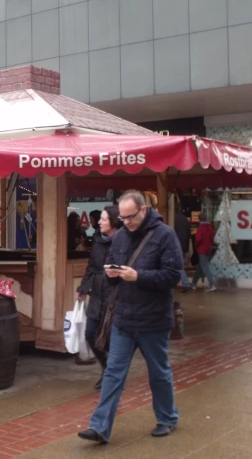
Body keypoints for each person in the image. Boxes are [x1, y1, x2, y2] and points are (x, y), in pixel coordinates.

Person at [79, 190, 181, 444]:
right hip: (124, 317)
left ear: (144, 210)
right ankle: (100, 427)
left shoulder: (165, 235)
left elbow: (173, 275)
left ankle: (167, 417)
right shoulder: (121, 236)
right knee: (113, 372)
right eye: (122, 218)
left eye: (130, 217)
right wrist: (111, 274)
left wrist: (139, 276)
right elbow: (113, 262)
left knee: (158, 372)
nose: (126, 222)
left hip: (153, 320)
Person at [76, 205, 124, 390]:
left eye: (104, 219)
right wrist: (83, 287)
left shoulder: (122, 242)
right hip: (96, 293)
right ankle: (106, 367)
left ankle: (112, 375)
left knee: (110, 338)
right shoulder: (97, 238)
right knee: (90, 334)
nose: (99, 222)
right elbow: (91, 266)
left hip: (114, 296)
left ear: (113, 222)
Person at [192, 213, 216, 291]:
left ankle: (212, 284)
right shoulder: (210, 227)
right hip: (208, 249)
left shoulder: (201, 228)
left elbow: (198, 239)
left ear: (199, 219)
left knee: (204, 267)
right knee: (201, 267)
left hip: (201, 249)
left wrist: (196, 246)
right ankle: (194, 283)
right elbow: (212, 239)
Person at [174, 206, 193, 292]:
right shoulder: (185, 219)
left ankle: (186, 284)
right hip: (183, 244)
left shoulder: (173, 219)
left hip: (176, 245)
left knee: (178, 266)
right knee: (177, 265)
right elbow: (189, 234)